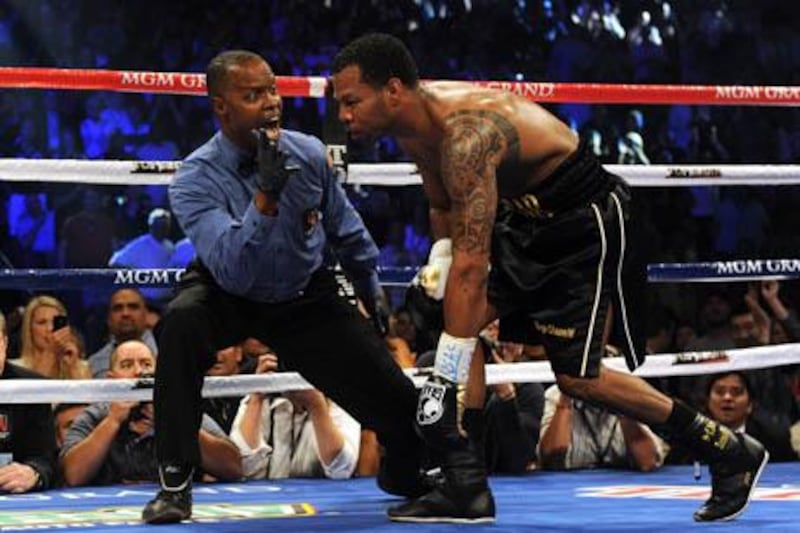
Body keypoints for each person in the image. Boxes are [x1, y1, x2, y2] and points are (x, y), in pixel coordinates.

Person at [331, 33, 768, 523]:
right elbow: (440, 205)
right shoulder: (413, 128)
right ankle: (464, 483)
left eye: (352, 101)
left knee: (578, 380)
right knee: (457, 312)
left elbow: (473, 268)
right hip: (525, 221)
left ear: (392, 90)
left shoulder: (466, 135)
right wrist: (442, 256)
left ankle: (728, 449)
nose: (344, 116)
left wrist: (447, 361)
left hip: (584, 223)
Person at [141, 50, 425, 524]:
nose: (271, 103)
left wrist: (368, 282)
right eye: (253, 95)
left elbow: (343, 224)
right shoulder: (195, 177)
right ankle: (174, 484)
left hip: (301, 291)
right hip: (226, 291)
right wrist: (266, 199)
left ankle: (402, 467)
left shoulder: (308, 152)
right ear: (221, 107)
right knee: (182, 323)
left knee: (391, 392)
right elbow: (232, 267)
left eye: (272, 89)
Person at [59, 340, 240, 487]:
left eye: (146, 364)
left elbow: (233, 468)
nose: (139, 371)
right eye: (127, 365)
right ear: (112, 379)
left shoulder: (182, 411)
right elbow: (73, 476)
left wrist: (174, 423)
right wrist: (112, 421)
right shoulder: (95, 416)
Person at [229, 352, 361, 480]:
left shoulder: (340, 401)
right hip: (266, 498)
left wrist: (317, 405)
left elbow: (341, 470)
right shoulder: (259, 400)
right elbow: (242, 467)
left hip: (320, 499)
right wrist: (256, 397)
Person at [0, 310, 57, 493]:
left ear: (4, 343)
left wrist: (34, 472)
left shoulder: (31, 388)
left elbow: (45, 457)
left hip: (13, 496)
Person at [87, 288, 157, 378]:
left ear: (146, 314)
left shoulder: (168, 352)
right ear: (108, 318)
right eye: (118, 308)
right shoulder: (94, 364)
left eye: (133, 307)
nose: (125, 313)